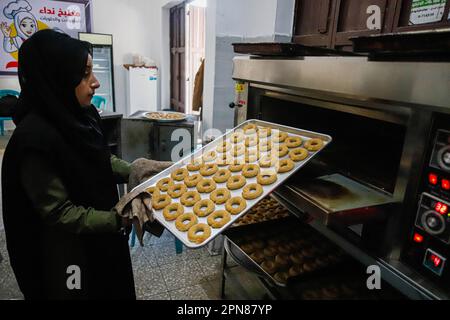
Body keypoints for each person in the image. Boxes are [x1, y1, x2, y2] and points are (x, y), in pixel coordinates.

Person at [1, 29, 169, 300]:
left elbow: (97, 158)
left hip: (101, 236)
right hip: (66, 254)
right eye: (84, 74)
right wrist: (119, 218)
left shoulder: (82, 115)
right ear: (57, 77)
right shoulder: (34, 140)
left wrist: (135, 169)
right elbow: (59, 212)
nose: (95, 82)